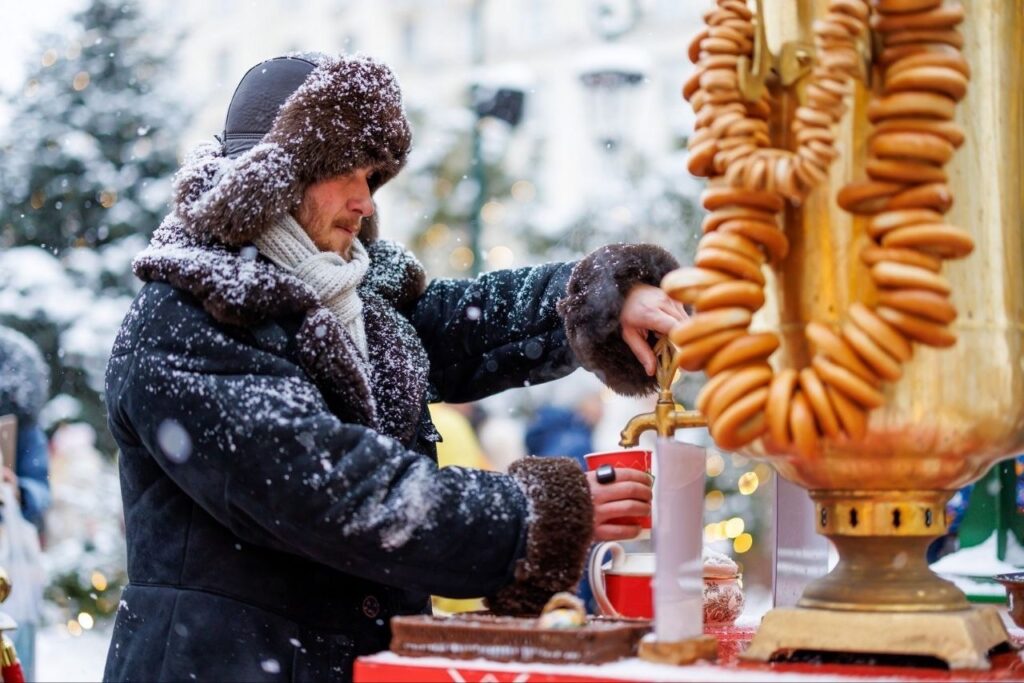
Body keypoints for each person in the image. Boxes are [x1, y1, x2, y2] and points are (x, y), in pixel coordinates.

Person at [103, 53, 686, 682]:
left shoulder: (357, 299)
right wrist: (532, 515)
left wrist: (605, 298)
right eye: (341, 172)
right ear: (271, 178)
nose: (364, 200)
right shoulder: (183, 318)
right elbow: (328, 490)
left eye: (372, 175)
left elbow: (471, 324)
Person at [0, 326, 52, 681]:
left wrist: (17, 491)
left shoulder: (19, 406)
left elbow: (40, 487)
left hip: (7, 548)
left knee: (14, 645)